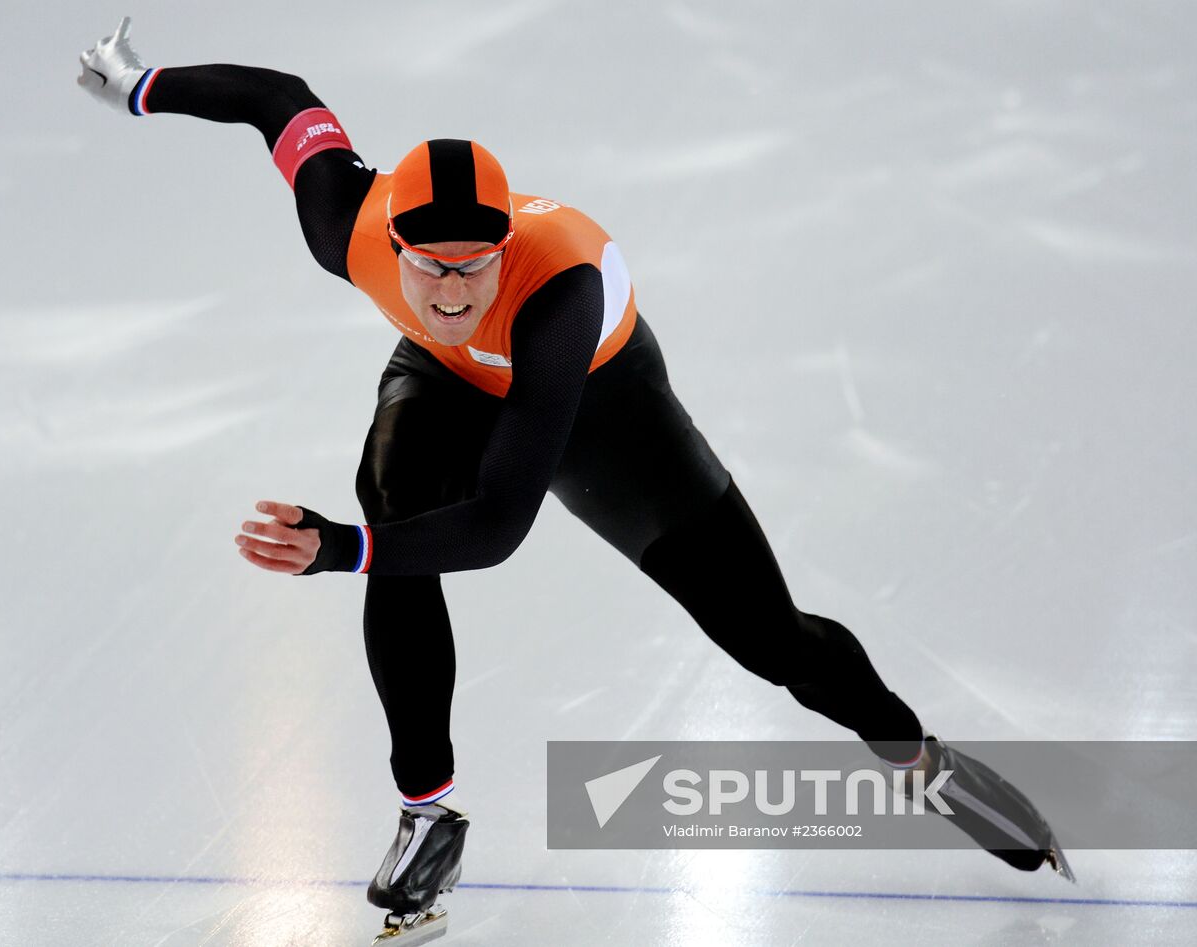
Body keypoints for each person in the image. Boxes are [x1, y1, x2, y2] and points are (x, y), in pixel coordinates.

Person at [78, 18, 1071, 942]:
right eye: (432, 269)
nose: (456, 290)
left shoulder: (557, 291)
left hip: (601, 405)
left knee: (769, 638)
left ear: (506, 244)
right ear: (391, 248)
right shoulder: (344, 222)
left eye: (477, 264)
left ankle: (915, 758)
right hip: (444, 381)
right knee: (399, 503)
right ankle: (427, 811)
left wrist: (337, 548)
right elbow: (279, 97)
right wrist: (142, 89)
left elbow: (499, 524)